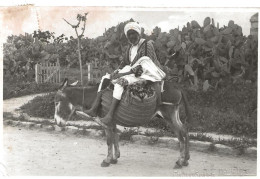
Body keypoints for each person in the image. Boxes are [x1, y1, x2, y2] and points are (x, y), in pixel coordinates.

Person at [86, 21, 166, 128]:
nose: (132, 36)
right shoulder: (130, 47)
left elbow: (144, 65)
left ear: (139, 33)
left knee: (120, 83)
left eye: (134, 33)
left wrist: (122, 74)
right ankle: (94, 109)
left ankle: (109, 116)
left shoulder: (146, 45)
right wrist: (117, 70)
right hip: (132, 71)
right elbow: (125, 62)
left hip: (146, 74)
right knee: (105, 78)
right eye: (129, 34)